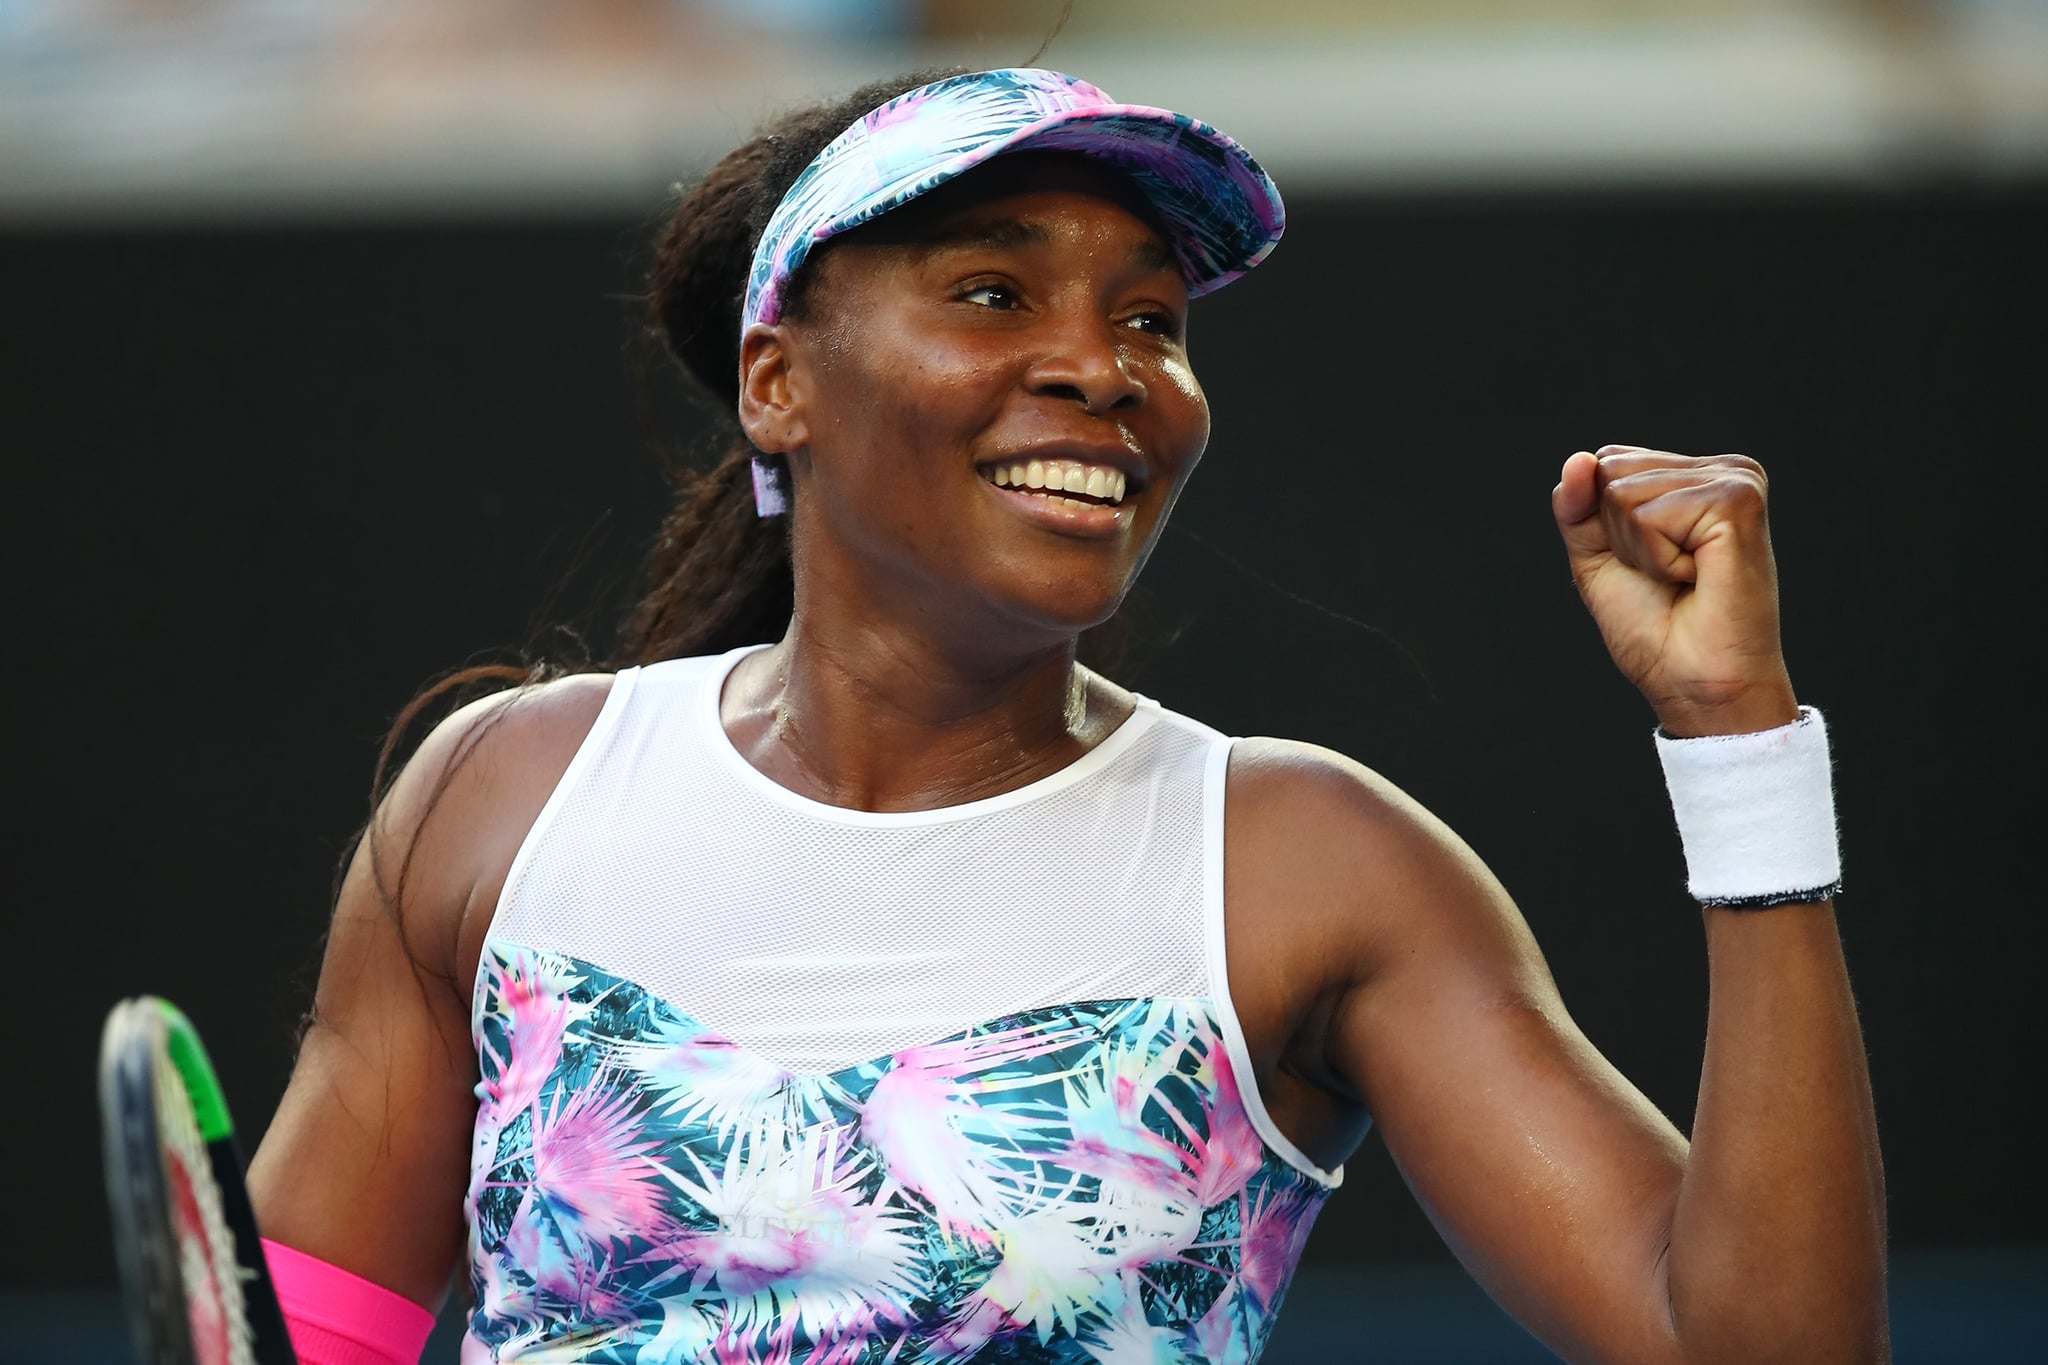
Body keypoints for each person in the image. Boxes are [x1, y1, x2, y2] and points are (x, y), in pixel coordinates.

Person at [244, 67, 1887, 1365]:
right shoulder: (501, 798)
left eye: (1150, 321)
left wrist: (1739, 743)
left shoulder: (1316, 866)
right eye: (989, 293)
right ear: (777, 382)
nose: (1104, 368)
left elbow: (1767, 1351)